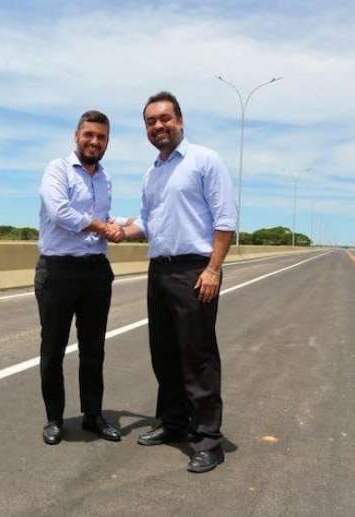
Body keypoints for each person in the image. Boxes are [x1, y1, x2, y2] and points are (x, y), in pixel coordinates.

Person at [112, 91, 237, 473]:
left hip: (194, 269)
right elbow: (148, 224)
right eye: (150, 121)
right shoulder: (153, 172)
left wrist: (212, 269)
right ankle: (173, 423)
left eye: (164, 118)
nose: (158, 126)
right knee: (164, 353)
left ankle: (207, 440)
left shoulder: (204, 161)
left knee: (197, 356)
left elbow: (225, 218)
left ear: (180, 121)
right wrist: (121, 230)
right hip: (160, 270)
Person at [35, 110, 125, 445]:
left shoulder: (105, 178)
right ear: (77, 136)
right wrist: (103, 226)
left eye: (101, 137)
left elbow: (100, 217)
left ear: (107, 142)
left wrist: (116, 226)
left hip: (95, 271)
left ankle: (93, 415)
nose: (94, 141)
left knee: (93, 349)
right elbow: (60, 212)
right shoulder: (57, 169)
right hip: (57, 270)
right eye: (89, 135)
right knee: (53, 349)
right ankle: (54, 419)